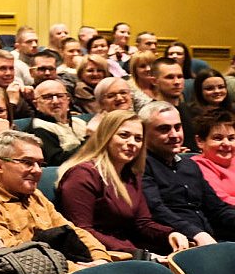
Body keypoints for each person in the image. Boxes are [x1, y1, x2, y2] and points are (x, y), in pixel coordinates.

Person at [0, 130, 111, 266]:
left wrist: (100, 259)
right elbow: (16, 255)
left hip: (68, 270)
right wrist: (76, 269)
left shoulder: (34, 194)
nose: (38, 171)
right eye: (27, 162)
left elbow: (73, 231)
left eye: (40, 163)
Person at [56, 110, 189, 256]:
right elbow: (82, 230)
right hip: (101, 255)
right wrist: (138, 254)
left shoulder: (130, 176)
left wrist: (170, 234)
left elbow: (143, 223)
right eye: (124, 135)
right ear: (106, 137)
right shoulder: (82, 175)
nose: (132, 143)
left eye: (138, 139)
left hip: (134, 251)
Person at [139, 101, 235, 245]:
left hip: (209, 239)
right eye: (164, 129)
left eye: (177, 127)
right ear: (144, 133)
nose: (174, 134)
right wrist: (196, 233)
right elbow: (156, 210)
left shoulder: (189, 165)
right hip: (176, 243)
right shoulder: (142, 165)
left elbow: (218, 209)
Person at [29, 79, 88, 166]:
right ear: (36, 104)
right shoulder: (38, 128)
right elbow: (57, 161)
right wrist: (90, 140)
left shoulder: (80, 122)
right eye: (48, 97)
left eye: (60, 96)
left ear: (68, 100)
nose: (55, 101)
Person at [193, 109, 235, 205]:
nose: (226, 143)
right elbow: (221, 200)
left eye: (231, 138)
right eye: (218, 138)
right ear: (200, 141)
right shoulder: (198, 165)